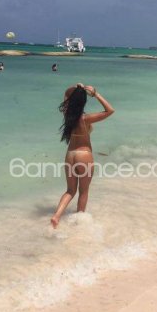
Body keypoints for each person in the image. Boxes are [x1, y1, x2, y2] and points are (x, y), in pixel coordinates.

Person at [50, 83, 114, 228]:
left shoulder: (67, 114)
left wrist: (76, 86)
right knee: (83, 191)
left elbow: (66, 95)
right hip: (84, 156)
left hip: (70, 155)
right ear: (83, 102)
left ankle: (56, 216)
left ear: (70, 101)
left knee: (70, 190)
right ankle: (79, 225)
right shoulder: (85, 119)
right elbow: (110, 110)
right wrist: (95, 94)